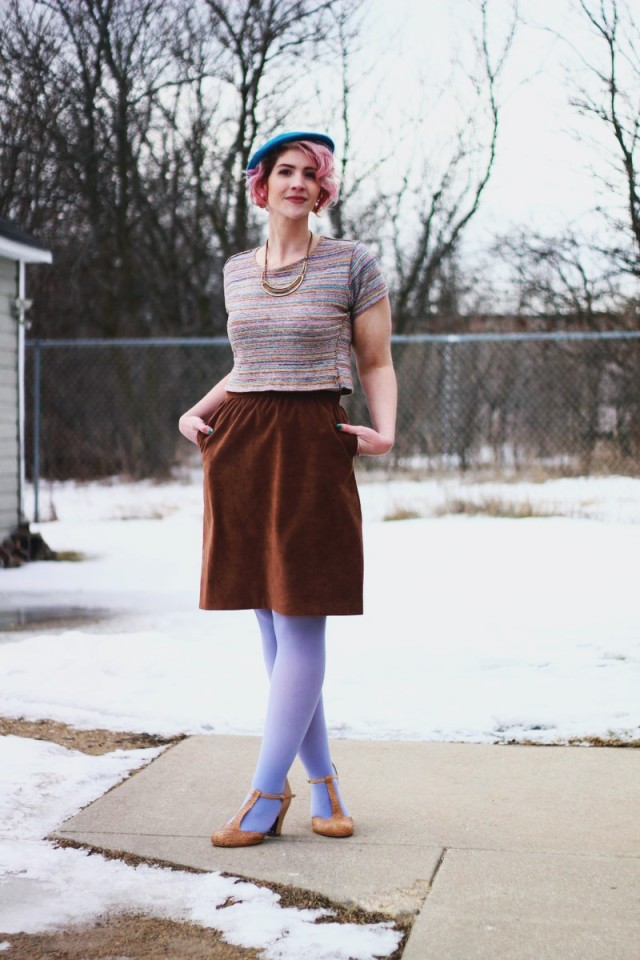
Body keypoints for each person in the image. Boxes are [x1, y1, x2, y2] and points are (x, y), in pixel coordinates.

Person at [178, 130, 397, 847]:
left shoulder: (351, 263)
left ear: (324, 188)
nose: (299, 182)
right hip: (240, 444)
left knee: (302, 617)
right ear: (261, 184)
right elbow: (249, 361)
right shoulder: (237, 270)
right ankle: (325, 784)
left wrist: (384, 430)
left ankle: (267, 794)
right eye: (285, 172)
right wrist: (201, 408)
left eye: (312, 173)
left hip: (311, 443)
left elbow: (375, 359)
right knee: (272, 625)